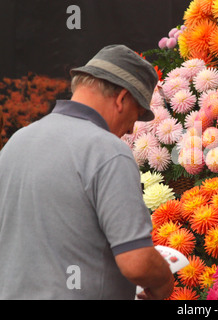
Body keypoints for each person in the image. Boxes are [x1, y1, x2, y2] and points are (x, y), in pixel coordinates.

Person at [0, 45, 174, 299]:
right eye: (135, 117)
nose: (129, 130)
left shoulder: (16, 142)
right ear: (121, 99)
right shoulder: (109, 151)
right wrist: (163, 282)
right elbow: (136, 263)